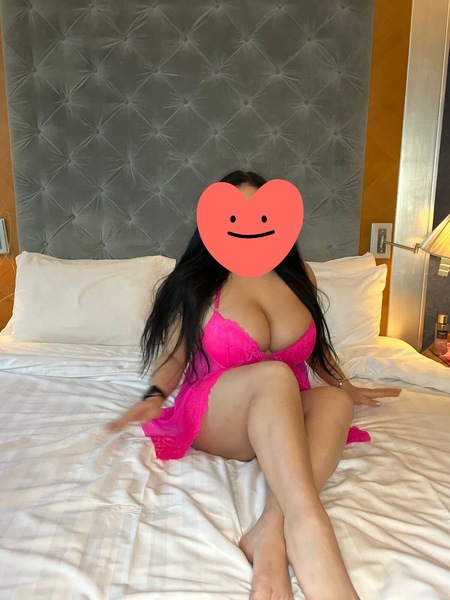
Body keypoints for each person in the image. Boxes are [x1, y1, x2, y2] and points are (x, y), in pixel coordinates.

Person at [108, 170, 400, 600]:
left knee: (335, 404)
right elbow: (174, 358)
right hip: (218, 413)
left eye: (260, 215)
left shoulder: (299, 276)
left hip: (281, 411)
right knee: (275, 376)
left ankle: (270, 530)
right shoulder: (198, 281)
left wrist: (346, 385)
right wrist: (154, 397)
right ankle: (309, 526)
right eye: (234, 216)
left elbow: (317, 348)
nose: (248, 225)